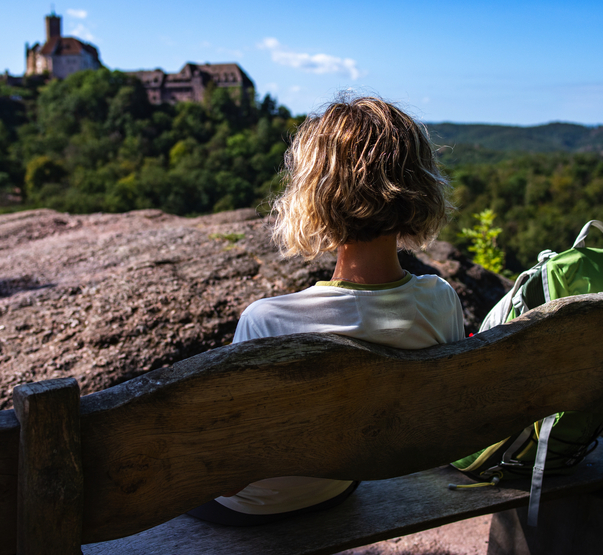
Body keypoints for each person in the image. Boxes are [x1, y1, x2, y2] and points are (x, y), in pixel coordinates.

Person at [187, 95, 465, 526]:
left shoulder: (269, 321)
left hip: (253, 506)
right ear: (418, 184)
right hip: (337, 486)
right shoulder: (440, 300)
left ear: (314, 193)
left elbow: (229, 467)